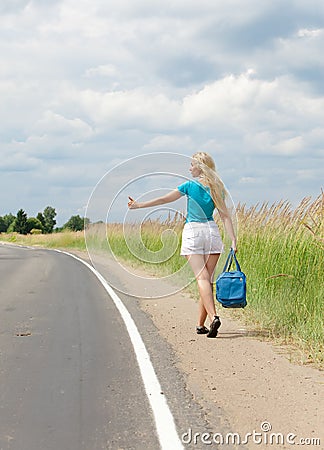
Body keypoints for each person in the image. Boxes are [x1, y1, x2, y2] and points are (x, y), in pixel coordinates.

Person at [128, 152, 237, 338]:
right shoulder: (217, 187)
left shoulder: (189, 186)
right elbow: (225, 216)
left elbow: (164, 199)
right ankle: (200, 325)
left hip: (193, 231)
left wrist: (139, 205)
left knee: (201, 279)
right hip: (212, 232)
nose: (189, 168)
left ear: (200, 167)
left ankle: (214, 317)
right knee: (207, 281)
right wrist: (233, 240)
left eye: (192, 164)